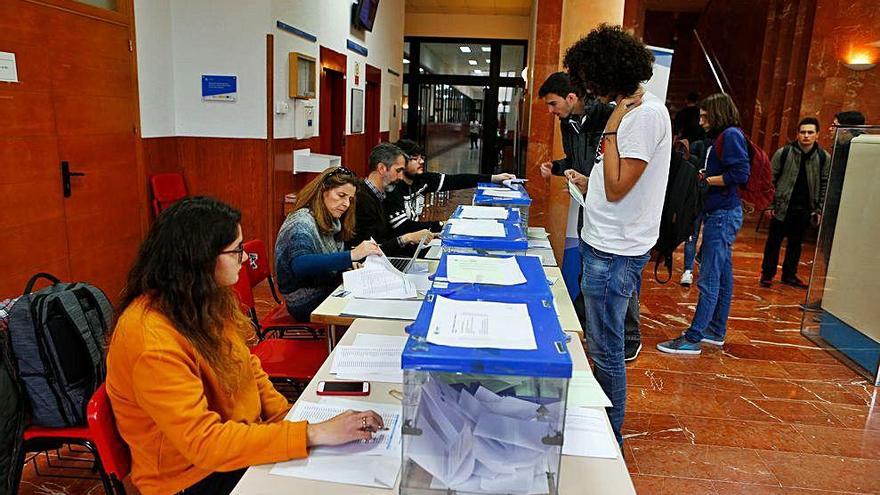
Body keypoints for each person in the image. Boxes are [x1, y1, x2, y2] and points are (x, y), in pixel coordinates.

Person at [106, 196, 384, 495]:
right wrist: (311, 433)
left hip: (233, 447)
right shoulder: (152, 340)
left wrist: (288, 419)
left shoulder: (202, 298)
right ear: (200, 259)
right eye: (236, 249)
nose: (244, 257)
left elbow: (247, 367)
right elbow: (204, 445)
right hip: (188, 478)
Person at [562, 24, 671, 445]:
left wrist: (610, 128)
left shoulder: (639, 115)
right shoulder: (632, 112)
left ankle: (609, 438)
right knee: (600, 341)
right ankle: (604, 431)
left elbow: (620, 184)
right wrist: (588, 182)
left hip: (614, 250)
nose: (590, 90)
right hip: (607, 238)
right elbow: (617, 186)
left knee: (607, 350)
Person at [536, 71, 643, 361]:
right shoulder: (566, 122)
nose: (551, 111)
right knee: (589, 265)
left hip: (616, 206)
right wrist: (557, 167)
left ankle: (631, 335)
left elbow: (619, 161)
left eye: (553, 104)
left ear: (572, 97)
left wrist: (591, 178)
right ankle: (586, 324)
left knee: (619, 272)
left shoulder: (609, 115)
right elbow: (576, 160)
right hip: (589, 202)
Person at [657, 93, 750, 355]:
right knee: (722, 275)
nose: (701, 121)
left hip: (722, 215)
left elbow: (740, 174)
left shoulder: (730, 135)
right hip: (721, 213)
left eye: (705, 116)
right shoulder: (724, 137)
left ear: (718, 113)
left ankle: (694, 337)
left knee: (709, 278)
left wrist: (707, 181)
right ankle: (716, 330)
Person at [275, 166, 383, 321]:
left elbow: (328, 260)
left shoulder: (331, 220)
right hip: (303, 301)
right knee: (368, 309)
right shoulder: (301, 222)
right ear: (323, 191)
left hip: (325, 289)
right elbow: (300, 265)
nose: (346, 204)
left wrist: (347, 265)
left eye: (350, 199)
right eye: (341, 195)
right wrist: (351, 255)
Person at [386, 139, 514, 235]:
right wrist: (442, 224)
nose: (421, 162)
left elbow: (456, 180)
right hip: (400, 249)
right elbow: (403, 227)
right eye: (415, 159)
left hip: (418, 240)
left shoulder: (423, 180)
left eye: (422, 157)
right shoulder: (392, 189)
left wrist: (494, 178)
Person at [759, 117, 830, 288]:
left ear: (817, 135)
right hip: (783, 206)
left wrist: (819, 209)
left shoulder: (823, 157)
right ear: (797, 134)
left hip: (805, 209)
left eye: (810, 132)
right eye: (803, 132)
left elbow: (824, 184)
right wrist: (769, 205)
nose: (806, 136)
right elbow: (770, 180)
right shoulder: (783, 153)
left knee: (796, 244)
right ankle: (767, 275)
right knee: (773, 243)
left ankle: (789, 275)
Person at [350, 142, 434, 255]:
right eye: (398, 171)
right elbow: (369, 250)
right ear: (381, 168)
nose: (400, 177)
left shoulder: (383, 196)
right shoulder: (362, 200)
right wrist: (407, 238)